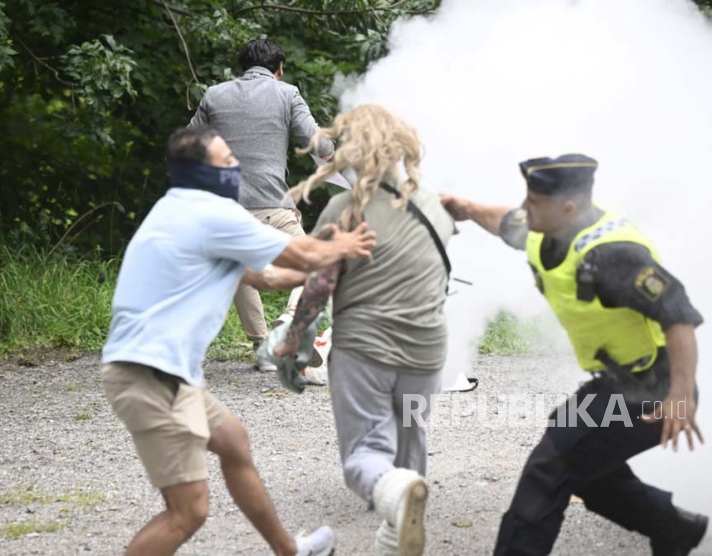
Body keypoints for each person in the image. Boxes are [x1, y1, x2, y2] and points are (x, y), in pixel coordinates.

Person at [100, 125, 375, 556]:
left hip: (162, 372)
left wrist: (328, 269)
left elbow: (269, 277)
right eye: (227, 161)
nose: (236, 166)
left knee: (233, 443)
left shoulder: (179, 211)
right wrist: (347, 244)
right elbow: (301, 253)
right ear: (202, 172)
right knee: (186, 513)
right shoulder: (211, 214)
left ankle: (289, 550)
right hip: (150, 376)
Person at [440, 154, 708, 556]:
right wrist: (466, 208)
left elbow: (679, 316)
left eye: (534, 202)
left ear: (568, 208)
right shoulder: (544, 229)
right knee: (586, 469)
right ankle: (673, 528)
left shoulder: (612, 254)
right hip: (617, 384)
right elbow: (504, 220)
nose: (525, 208)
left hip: (655, 390)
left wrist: (681, 396)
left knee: (552, 465)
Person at [262, 105, 455, 556]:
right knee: (411, 435)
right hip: (427, 349)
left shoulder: (344, 209)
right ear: (401, 148)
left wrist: (294, 339)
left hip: (365, 349)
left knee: (364, 452)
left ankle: (395, 493)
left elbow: (318, 285)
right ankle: (400, 521)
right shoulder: (435, 205)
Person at [189, 38, 335, 371]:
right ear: (279, 69)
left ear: (243, 67)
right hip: (273, 208)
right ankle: (290, 320)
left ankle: (262, 345)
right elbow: (320, 146)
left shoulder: (214, 95)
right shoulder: (287, 93)